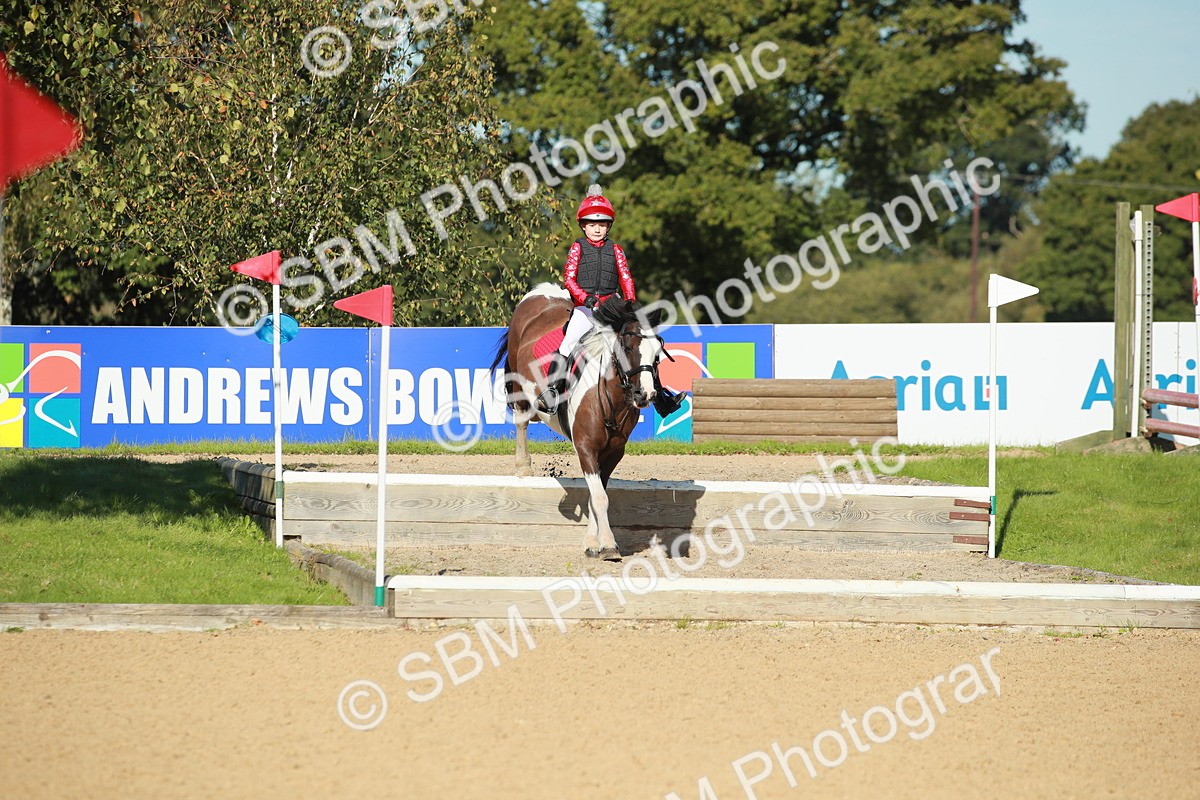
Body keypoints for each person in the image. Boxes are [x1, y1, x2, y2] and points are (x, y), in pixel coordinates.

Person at [536, 185, 637, 413]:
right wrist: (585, 299)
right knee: (568, 342)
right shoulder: (577, 247)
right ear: (583, 226)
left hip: (612, 309)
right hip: (586, 310)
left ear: (608, 226)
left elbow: (626, 277)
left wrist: (629, 301)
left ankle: (659, 396)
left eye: (602, 225)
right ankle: (552, 391)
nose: (597, 229)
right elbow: (569, 279)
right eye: (592, 225)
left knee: (636, 343)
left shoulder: (617, 249)